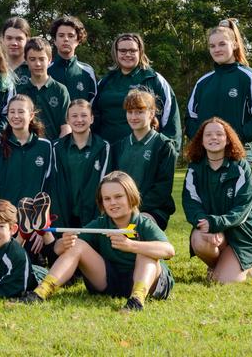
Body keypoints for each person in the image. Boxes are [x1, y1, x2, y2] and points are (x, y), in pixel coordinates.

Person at [22, 171, 175, 311]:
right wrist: (65, 242)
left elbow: (169, 251)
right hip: (110, 282)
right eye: (107, 199)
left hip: (147, 282)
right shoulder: (101, 223)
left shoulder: (144, 223)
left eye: (118, 196)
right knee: (78, 245)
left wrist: (131, 245)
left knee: (146, 252)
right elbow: (58, 249)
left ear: (131, 196)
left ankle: (136, 301)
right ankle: (41, 293)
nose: (112, 202)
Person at [182, 117, 252, 283]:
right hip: (213, 230)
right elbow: (191, 203)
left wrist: (216, 223)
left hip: (242, 235)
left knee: (223, 282)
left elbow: (242, 209)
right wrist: (205, 222)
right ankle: (219, 264)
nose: (214, 137)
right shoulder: (194, 169)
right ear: (202, 140)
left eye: (219, 134)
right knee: (199, 239)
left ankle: (244, 265)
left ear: (228, 139)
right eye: (209, 135)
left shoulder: (241, 167)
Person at [185, 19, 252, 163]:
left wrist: (234, 138)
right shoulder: (203, 82)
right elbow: (190, 118)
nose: (217, 49)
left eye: (222, 44)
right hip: (206, 157)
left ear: (235, 44)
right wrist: (204, 141)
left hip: (238, 155)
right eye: (212, 46)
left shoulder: (249, 78)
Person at [0, 94, 56, 264]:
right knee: (6, 266)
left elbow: (51, 187)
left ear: (31, 115)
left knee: (39, 264)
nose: (16, 116)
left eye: (21, 112)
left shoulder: (45, 146)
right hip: (6, 224)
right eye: (12, 112)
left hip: (34, 226)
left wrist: (43, 228)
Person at [93, 33, 181, 149]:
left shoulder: (153, 79)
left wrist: (169, 150)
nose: (128, 54)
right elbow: (93, 115)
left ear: (140, 52)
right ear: (116, 52)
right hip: (107, 151)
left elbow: (171, 118)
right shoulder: (105, 81)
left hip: (143, 153)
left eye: (132, 51)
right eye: (123, 51)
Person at [112, 89, 177, 230]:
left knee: (136, 227)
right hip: (121, 208)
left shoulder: (164, 146)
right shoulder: (119, 146)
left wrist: (133, 208)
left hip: (152, 209)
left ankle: (153, 247)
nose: (134, 117)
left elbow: (162, 189)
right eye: (130, 112)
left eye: (139, 112)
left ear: (151, 113)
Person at [52, 99, 112, 229]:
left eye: (84, 115)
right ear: (67, 120)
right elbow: (54, 187)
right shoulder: (56, 148)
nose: (79, 120)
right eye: (74, 116)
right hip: (63, 216)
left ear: (91, 118)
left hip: (92, 216)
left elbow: (105, 185)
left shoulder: (103, 147)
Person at [16, 37, 71, 141]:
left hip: (53, 150)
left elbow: (66, 127)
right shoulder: (19, 90)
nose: (37, 64)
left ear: (50, 60)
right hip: (25, 150)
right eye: (32, 59)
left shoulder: (60, 90)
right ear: (26, 60)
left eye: (42, 59)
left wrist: (56, 148)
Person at [47, 16, 97, 103]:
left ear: (78, 40)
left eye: (70, 36)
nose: (66, 39)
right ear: (54, 40)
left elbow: (94, 105)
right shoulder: (45, 70)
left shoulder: (87, 72)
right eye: (61, 35)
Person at [1, 17, 31, 85]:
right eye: (9, 38)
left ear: (27, 40)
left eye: (19, 39)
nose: (14, 43)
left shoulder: (35, 69)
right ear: (3, 39)